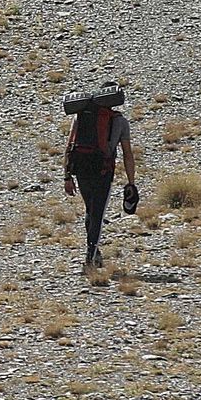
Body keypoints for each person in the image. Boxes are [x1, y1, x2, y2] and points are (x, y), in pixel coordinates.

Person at [64, 89, 135, 270]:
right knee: (98, 212)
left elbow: (69, 146)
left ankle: (94, 253)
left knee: (90, 209)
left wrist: (67, 176)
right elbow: (127, 154)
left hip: (81, 169)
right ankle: (91, 255)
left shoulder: (80, 116)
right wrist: (131, 182)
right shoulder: (120, 121)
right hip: (103, 171)